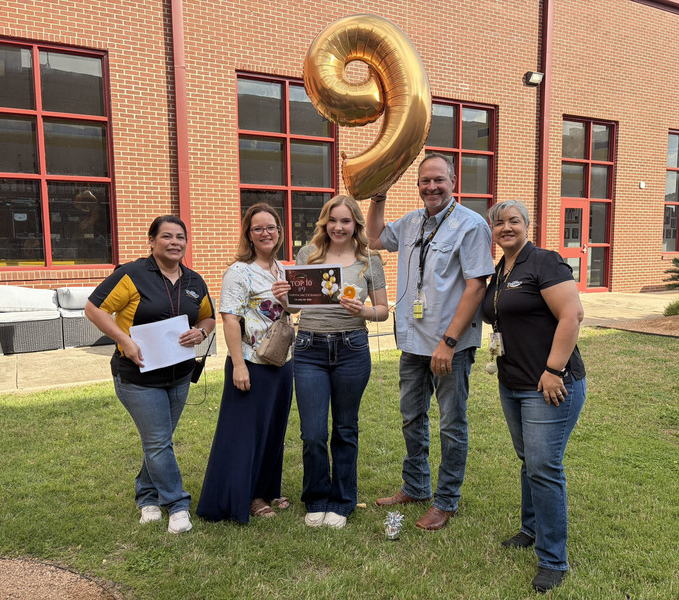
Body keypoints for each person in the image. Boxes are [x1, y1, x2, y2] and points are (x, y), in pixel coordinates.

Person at [366, 153, 494, 531]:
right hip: (412, 341)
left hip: (449, 345)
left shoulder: (471, 225)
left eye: (439, 179)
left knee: (451, 424)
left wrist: (449, 342)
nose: (432, 187)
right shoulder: (411, 222)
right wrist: (378, 196)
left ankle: (446, 500)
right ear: (418, 185)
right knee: (411, 418)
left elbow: (476, 286)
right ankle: (416, 486)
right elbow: (373, 237)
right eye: (425, 181)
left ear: (453, 181)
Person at [480, 200, 586, 593]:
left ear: (528, 225)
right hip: (512, 382)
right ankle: (531, 528)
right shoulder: (500, 270)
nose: (506, 228)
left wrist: (554, 370)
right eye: (499, 223)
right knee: (529, 461)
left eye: (514, 221)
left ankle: (553, 559)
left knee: (543, 467)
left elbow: (572, 316)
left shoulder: (544, 262)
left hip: (549, 384)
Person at [85, 215, 216, 535]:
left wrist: (200, 332)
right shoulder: (131, 275)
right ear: (152, 241)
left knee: (160, 441)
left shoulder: (194, 281)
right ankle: (177, 504)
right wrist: (124, 340)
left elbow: (208, 318)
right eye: (167, 236)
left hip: (180, 375)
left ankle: (146, 496)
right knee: (158, 441)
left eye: (180, 237)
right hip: (137, 377)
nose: (174, 242)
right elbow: (94, 309)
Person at [273, 195, 389, 529]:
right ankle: (316, 498)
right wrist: (284, 297)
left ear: (356, 224)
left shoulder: (370, 259)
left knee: (345, 428)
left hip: (352, 347)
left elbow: (383, 310)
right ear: (324, 223)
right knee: (312, 432)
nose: (338, 227)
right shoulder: (308, 255)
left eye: (345, 221)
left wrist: (364, 310)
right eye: (332, 221)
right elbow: (296, 307)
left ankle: (342, 500)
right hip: (310, 347)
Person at [196, 203, 293, 524]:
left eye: (271, 227)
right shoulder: (239, 272)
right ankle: (247, 496)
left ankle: (267, 488)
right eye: (258, 228)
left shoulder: (282, 269)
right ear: (249, 235)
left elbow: (291, 310)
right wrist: (238, 365)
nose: (266, 233)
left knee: (273, 430)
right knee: (246, 433)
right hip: (251, 363)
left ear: (280, 231)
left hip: (282, 362)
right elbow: (229, 320)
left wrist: (287, 299)